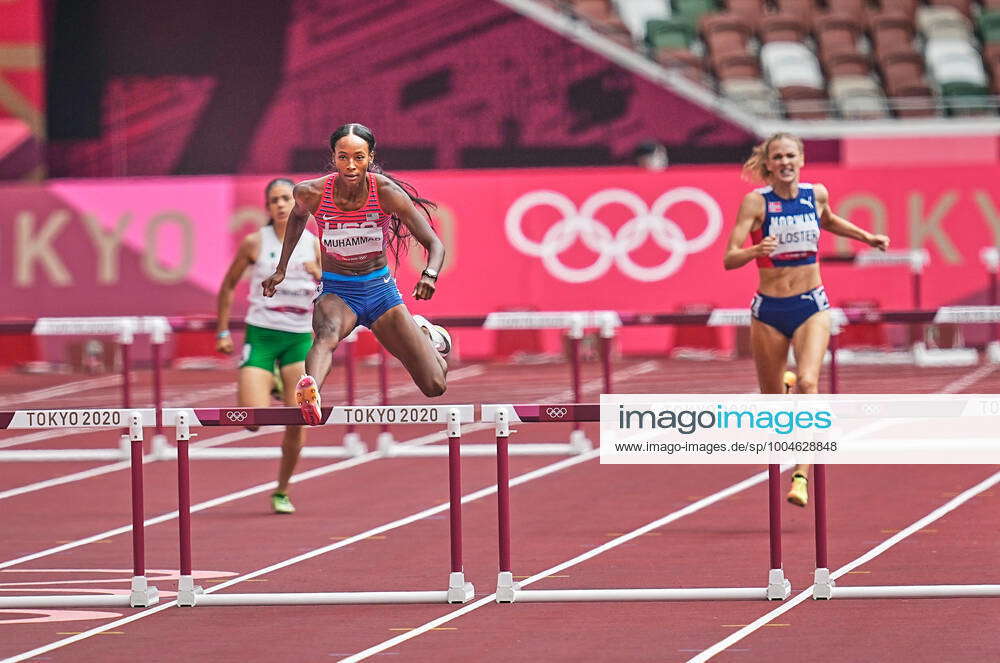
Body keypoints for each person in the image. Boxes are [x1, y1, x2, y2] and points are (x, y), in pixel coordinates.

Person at [723, 133, 890, 507]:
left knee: (809, 382)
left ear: (801, 160)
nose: (785, 162)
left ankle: (800, 475)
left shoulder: (815, 195)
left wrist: (867, 236)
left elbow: (829, 221)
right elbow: (728, 258)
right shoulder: (756, 203)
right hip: (769, 309)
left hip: (811, 304)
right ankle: (782, 390)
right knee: (772, 403)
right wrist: (754, 249)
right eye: (778, 156)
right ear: (768, 164)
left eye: (791, 156)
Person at [262, 123, 450, 426]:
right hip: (339, 291)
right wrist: (280, 269)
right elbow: (296, 220)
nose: (351, 165)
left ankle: (427, 334)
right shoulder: (311, 192)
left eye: (359, 158)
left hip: (380, 293)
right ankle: (311, 392)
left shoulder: (387, 193)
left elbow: (434, 243)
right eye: (343, 157)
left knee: (434, 385)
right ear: (333, 158)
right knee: (326, 334)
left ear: (370, 157)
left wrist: (429, 275)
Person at [216, 178, 322, 514]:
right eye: (274, 200)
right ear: (267, 207)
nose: (280, 205)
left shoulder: (313, 244)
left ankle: (282, 490)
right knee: (251, 419)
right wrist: (221, 332)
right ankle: (271, 379)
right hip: (261, 336)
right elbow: (228, 286)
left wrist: (319, 271)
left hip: (298, 339)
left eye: (286, 199)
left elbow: (334, 287)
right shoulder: (254, 243)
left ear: (298, 205)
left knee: (299, 418)